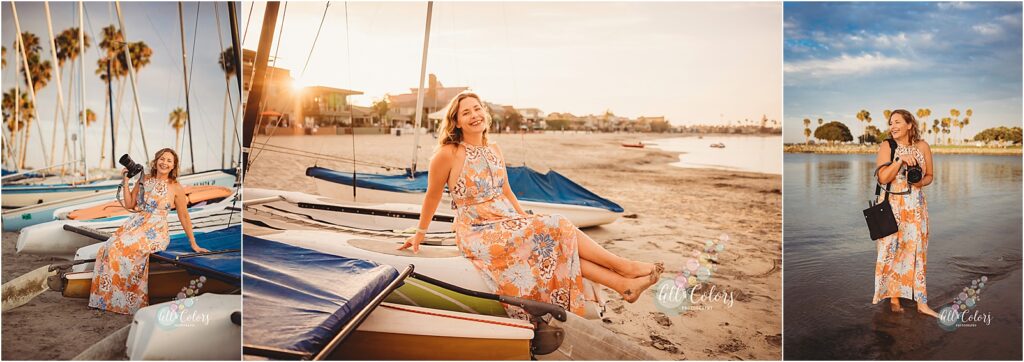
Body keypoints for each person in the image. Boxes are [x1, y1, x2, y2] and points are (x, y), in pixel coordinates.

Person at [398, 91, 663, 320]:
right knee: (557, 224)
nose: (474, 115)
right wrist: (419, 234)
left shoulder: (495, 150)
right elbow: (431, 196)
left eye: (477, 108)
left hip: (505, 220)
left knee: (555, 238)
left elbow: (506, 190)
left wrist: (524, 218)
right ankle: (624, 267)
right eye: (465, 112)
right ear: (456, 121)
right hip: (477, 231)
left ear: (485, 113)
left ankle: (623, 286)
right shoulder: (448, 153)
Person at [89, 148, 208, 315]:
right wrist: (125, 180)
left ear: (173, 166)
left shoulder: (175, 187)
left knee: (122, 248)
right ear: (156, 161)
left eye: (169, 161)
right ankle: (107, 298)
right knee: (107, 247)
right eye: (162, 159)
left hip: (155, 231)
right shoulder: (145, 179)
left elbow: (184, 216)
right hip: (136, 224)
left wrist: (193, 243)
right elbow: (130, 204)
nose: (164, 163)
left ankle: (128, 302)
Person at [872, 109, 938, 318]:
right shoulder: (887, 146)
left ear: (910, 124)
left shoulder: (923, 146)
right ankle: (893, 296)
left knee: (918, 251)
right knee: (891, 252)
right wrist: (899, 160)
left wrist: (918, 181)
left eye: (897, 122)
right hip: (891, 205)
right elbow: (882, 178)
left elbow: (929, 176)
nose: (892, 126)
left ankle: (922, 302)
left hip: (916, 207)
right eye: (891, 123)